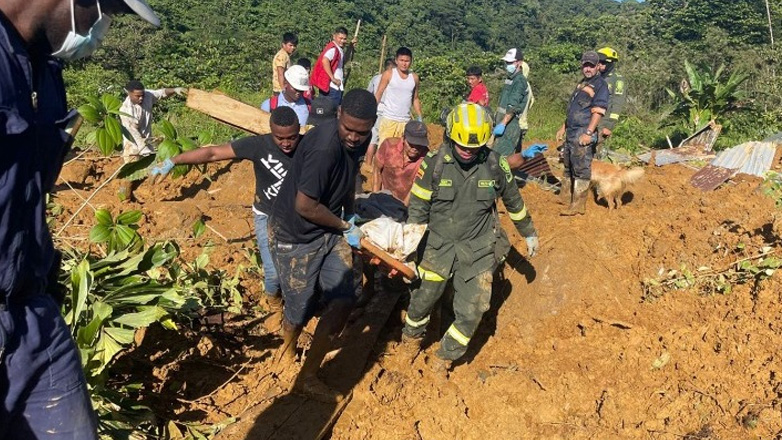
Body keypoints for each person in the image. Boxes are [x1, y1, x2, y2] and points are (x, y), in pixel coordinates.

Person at [0, 0, 160, 437]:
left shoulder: (46, 73)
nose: (101, 27)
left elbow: (31, 188)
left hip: (31, 307)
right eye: (104, 10)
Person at [400, 103, 539, 375]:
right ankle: (410, 342)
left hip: (478, 248)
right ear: (450, 136)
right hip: (437, 246)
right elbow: (417, 209)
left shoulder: (495, 164)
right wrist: (408, 251)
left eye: (473, 148)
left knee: (474, 308)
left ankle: (443, 358)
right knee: (422, 301)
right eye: (462, 145)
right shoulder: (434, 163)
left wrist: (529, 232)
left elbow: (514, 201)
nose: (467, 151)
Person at [268, 89, 377, 401]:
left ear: (371, 125)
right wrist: (344, 225)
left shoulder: (361, 139)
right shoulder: (323, 147)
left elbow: (349, 175)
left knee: (344, 299)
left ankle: (308, 375)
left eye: (362, 131)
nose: (355, 138)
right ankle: (287, 349)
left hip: (328, 229)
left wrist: (351, 212)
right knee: (299, 310)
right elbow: (304, 205)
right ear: (339, 115)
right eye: (349, 129)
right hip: (296, 235)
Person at [149, 107, 301, 324]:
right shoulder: (259, 145)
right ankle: (274, 306)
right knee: (273, 273)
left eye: (292, 137)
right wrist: (174, 161)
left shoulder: (308, 146)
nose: (286, 143)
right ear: (271, 132)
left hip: (297, 217)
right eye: (280, 138)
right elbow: (213, 153)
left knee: (297, 268)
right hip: (266, 215)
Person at [555, 51, 609, 216]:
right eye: (585, 65)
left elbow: (598, 111)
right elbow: (574, 108)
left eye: (591, 66)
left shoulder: (600, 85)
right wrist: (563, 127)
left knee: (581, 168)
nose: (588, 68)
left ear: (597, 67)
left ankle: (578, 206)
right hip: (571, 130)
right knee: (568, 165)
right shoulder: (582, 84)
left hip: (583, 131)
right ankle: (565, 197)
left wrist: (588, 132)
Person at [120, 80, 186, 163]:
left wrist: (175, 90)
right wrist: (147, 152)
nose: (141, 98)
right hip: (133, 146)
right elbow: (134, 135)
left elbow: (161, 93)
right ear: (129, 94)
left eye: (142, 95)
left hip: (148, 141)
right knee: (134, 170)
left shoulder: (147, 95)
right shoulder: (125, 111)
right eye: (137, 96)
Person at [373, 47, 423, 147]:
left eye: (407, 61)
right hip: (388, 120)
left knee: (400, 152)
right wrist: (371, 111)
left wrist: (420, 116)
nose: (404, 63)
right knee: (385, 151)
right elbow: (379, 93)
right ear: (396, 60)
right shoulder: (389, 74)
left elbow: (415, 98)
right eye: (401, 60)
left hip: (405, 122)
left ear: (411, 61)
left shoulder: (414, 78)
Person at [372, 120, 429, 205]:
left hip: (407, 204)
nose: (415, 148)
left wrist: (403, 209)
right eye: (411, 144)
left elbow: (414, 188)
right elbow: (377, 170)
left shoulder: (426, 159)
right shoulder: (388, 146)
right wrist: (374, 199)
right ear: (403, 138)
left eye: (419, 145)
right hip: (383, 198)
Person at [492, 47, 529, 158]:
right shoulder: (510, 79)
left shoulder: (520, 81)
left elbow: (513, 105)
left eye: (510, 62)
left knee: (500, 159)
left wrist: (503, 124)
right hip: (502, 122)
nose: (507, 65)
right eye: (506, 62)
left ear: (519, 63)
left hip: (509, 126)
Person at [311, 27, 355, 106]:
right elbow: (325, 60)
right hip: (332, 87)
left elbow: (344, 61)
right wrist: (332, 78)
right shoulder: (333, 49)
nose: (342, 41)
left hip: (334, 86)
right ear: (334, 36)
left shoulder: (338, 49)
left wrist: (350, 47)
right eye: (340, 38)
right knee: (330, 112)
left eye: (344, 39)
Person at [363, 58, 395, 168]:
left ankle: (368, 163)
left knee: (373, 137)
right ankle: (380, 165)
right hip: (388, 111)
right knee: (384, 139)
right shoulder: (393, 79)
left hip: (376, 108)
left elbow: (368, 93)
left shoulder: (375, 78)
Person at [595, 47, 626, 159]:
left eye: (603, 62)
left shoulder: (617, 80)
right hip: (590, 117)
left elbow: (617, 104)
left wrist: (609, 125)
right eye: (598, 62)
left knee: (596, 148)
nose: (600, 65)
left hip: (604, 120)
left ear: (610, 63)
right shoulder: (595, 77)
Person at [516, 60, 534, 154]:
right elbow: (532, 101)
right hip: (523, 123)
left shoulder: (520, 85)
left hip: (516, 124)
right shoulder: (528, 85)